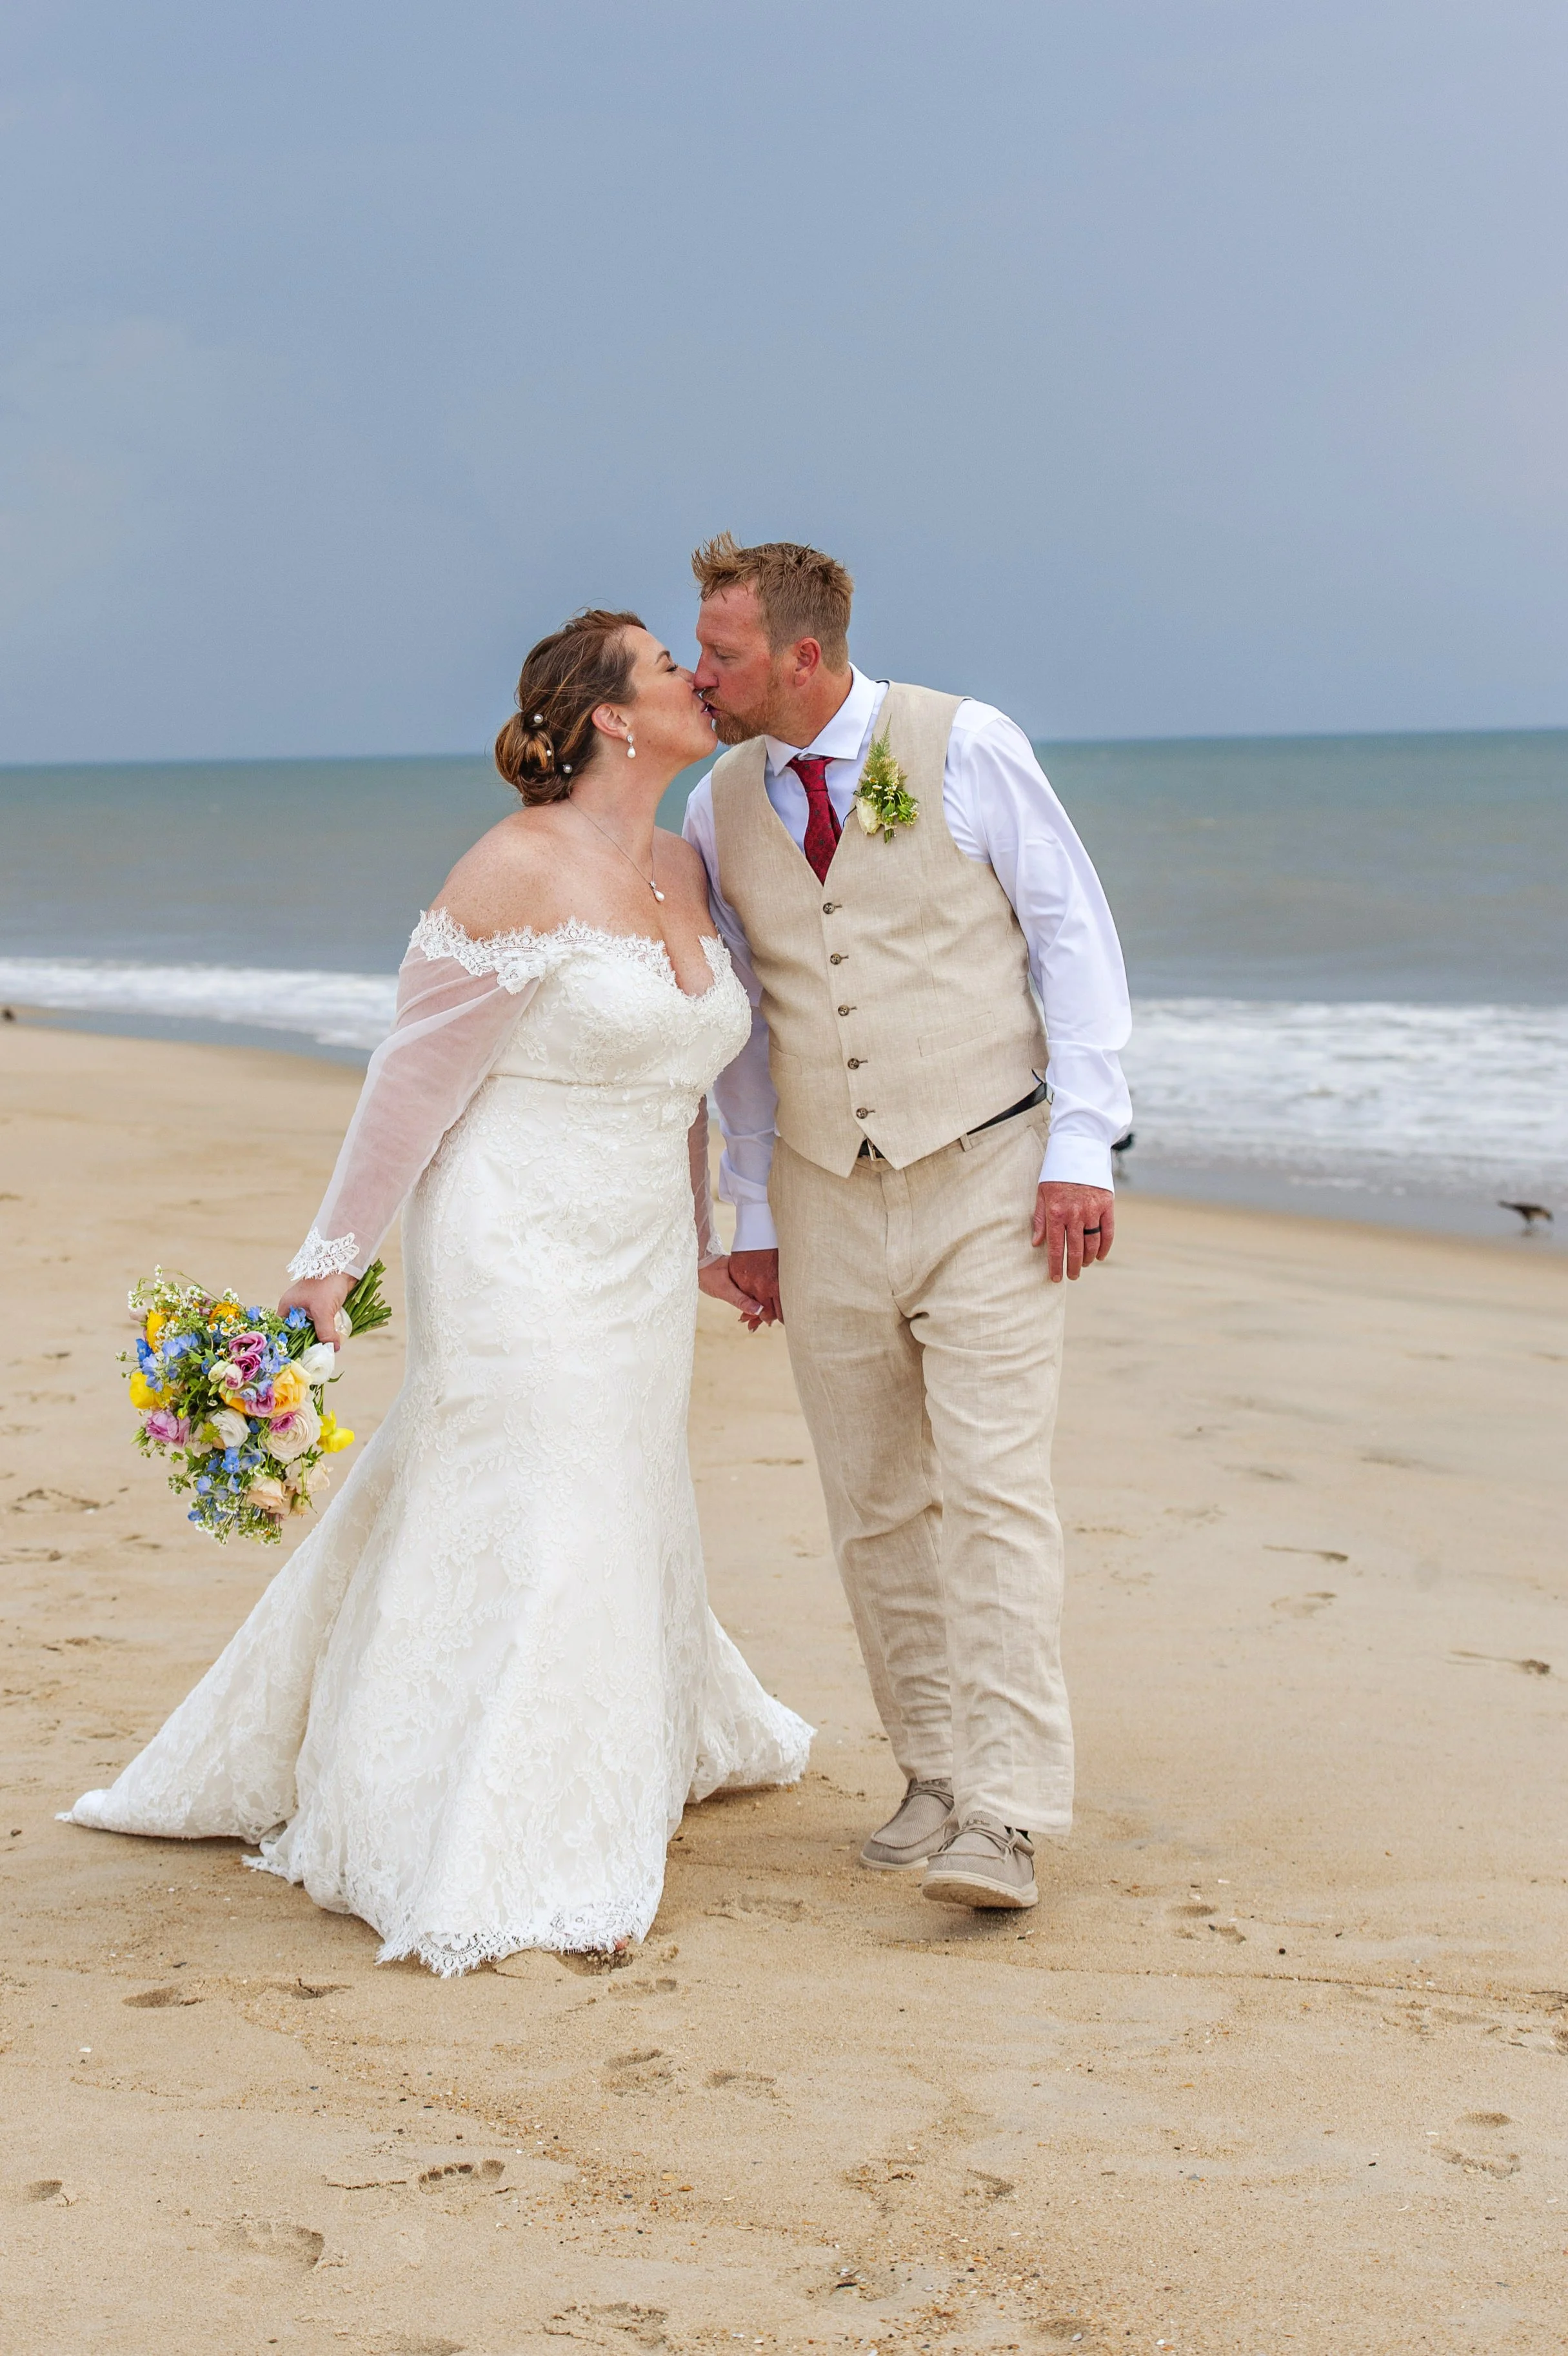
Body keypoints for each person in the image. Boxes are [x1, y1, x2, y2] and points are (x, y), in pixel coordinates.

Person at [63, 609, 811, 1975]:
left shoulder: (684, 864)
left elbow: (689, 1070)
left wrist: (715, 1230)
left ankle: (607, 1733)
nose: (700, 681)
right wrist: (325, 1268)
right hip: (511, 1236)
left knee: (610, 1483)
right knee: (546, 1490)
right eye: (666, 668)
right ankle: (487, 1827)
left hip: (636, 1248)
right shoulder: (511, 868)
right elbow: (410, 1081)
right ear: (608, 719)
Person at [682, 537, 1131, 1911]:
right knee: (874, 1502)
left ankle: (1006, 1810)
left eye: (726, 654)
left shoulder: (966, 742)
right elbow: (748, 1025)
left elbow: (1074, 940)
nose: (704, 676)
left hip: (993, 1171)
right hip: (822, 1187)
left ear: (803, 656)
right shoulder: (719, 802)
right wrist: (750, 1206)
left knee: (997, 1489)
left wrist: (1082, 1144)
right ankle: (933, 1764)